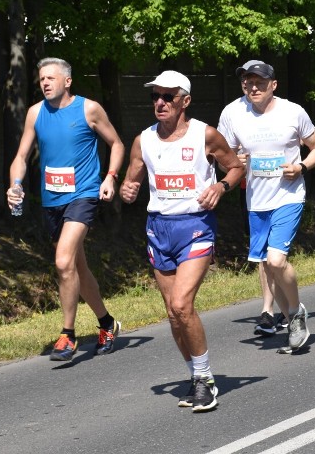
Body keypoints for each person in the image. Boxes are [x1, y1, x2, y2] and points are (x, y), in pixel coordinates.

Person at [119, 70, 245, 412]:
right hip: (158, 228)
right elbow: (131, 181)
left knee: (181, 305)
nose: (160, 103)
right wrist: (126, 190)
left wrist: (221, 186)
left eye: (168, 97)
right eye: (155, 97)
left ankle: (205, 381)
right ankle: (195, 376)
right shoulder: (143, 140)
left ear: (184, 101)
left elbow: (235, 168)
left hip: (195, 226)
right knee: (173, 314)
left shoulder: (205, 134)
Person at [6, 57, 125, 361]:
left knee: (62, 262)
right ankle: (107, 323)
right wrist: (16, 185)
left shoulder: (88, 109)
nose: (44, 83)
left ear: (67, 81)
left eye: (51, 78)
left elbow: (116, 144)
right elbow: (21, 156)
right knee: (77, 269)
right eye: (41, 79)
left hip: (83, 195)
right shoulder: (35, 113)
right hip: (52, 201)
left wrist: (110, 177)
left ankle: (67, 335)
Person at [217, 60, 315, 350]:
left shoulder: (293, 112)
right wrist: (233, 161)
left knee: (277, 260)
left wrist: (301, 166)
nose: (253, 87)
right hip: (256, 201)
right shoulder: (232, 112)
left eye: (259, 82)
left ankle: (295, 312)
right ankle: (293, 316)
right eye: (247, 82)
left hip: (288, 195)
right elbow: (222, 154)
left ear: (273, 85)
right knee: (267, 263)